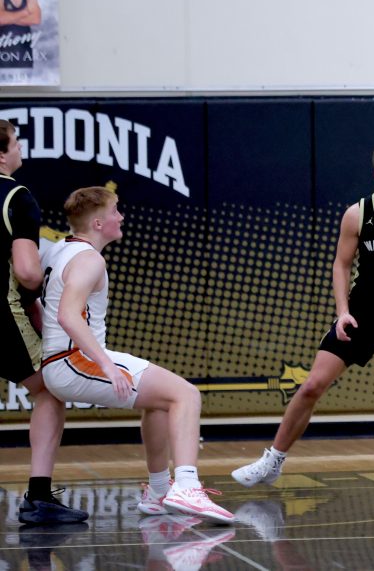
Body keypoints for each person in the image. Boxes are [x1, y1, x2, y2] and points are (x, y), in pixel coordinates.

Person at [231, 141, 374, 487]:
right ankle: (273, 460)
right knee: (311, 385)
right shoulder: (358, 213)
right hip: (362, 312)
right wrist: (342, 312)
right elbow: (341, 265)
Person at [39, 187, 233, 523]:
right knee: (186, 394)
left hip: (62, 361)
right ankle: (187, 486)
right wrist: (107, 366)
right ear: (98, 223)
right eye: (116, 210)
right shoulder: (89, 259)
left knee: (160, 401)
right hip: (73, 361)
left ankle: (159, 492)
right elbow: (67, 316)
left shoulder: (60, 250)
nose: (122, 216)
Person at [0, 119, 87, 525]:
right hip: (4, 316)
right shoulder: (17, 196)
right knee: (50, 393)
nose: (21, 150)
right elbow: (28, 273)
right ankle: (38, 497)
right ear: (2, 153)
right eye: (16, 142)